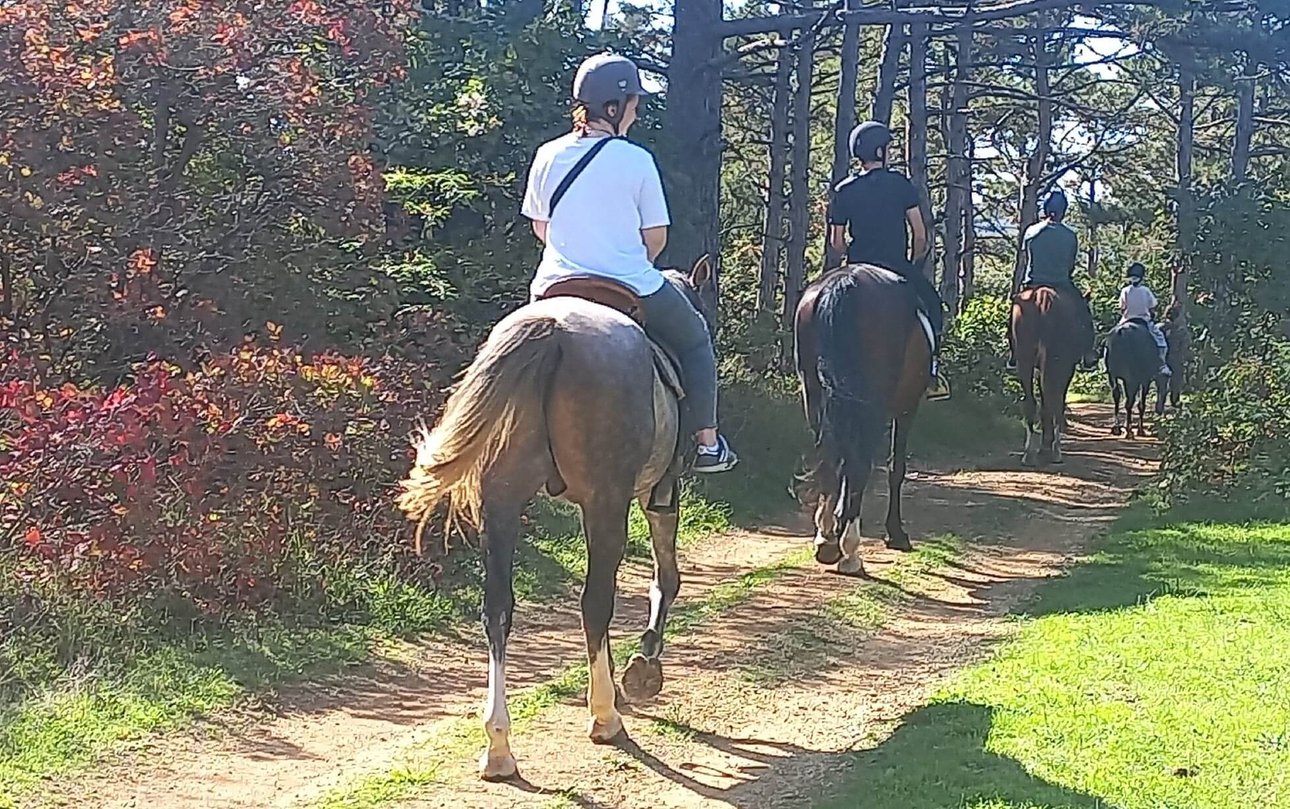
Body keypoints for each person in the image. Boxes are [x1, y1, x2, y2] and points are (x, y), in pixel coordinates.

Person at [520, 52, 737, 473]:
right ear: (613, 108)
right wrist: (626, 257)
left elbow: (541, 227)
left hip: (552, 286)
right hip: (629, 284)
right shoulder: (637, 160)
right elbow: (656, 238)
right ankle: (707, 444)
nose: (636, 114)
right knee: (696, 339)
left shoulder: (547, 155)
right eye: (634, 105)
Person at [826, 120, 950, 402]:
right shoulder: (900, 185)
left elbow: (836, 242)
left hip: (856, 267)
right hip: (894, 264)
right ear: (880, 151)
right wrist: (915, 262)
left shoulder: (843, 190)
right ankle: (933, 373)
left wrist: (849, 259)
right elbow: (920, 234)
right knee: (932, 307)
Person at [1008, 189, 1100, 371]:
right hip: (1061, 284)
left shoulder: (1031, 231)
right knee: (1083, 312)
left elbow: (1027, 257)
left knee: (1013, 310)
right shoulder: (1069, 235)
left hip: (1033, 283)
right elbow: (1070, 265)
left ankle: (1013, 351)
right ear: (1063, 211)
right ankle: (1087, 353)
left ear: (1045, 208)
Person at [1120, 262, 1172, 377]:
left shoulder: (1125, 291)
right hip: (1143, 320)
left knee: (1110, 336)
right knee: (1160, 340)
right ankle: (1162, 365)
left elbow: (1122, 308)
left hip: (1126, 321)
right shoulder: (1146, 291)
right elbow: (1152, 307)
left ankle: (1101, 356)